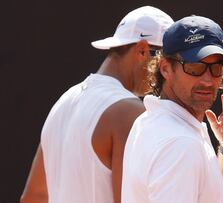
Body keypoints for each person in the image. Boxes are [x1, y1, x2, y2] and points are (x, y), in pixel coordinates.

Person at [20, 6, 173, 203]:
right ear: (142, 50)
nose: (166, 74)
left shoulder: (63, 102)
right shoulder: (129, 111)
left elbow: (33, 197)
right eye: (165, 63)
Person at [122, 15, 223, 203]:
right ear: (166, 69)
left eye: (216, 67)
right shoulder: (181, 143)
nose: (208, 80)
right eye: (194, 67)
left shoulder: (150, 122)